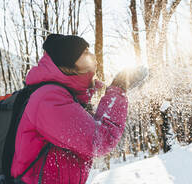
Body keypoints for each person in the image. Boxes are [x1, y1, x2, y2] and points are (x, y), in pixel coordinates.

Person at [11, 34, 143, 184]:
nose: (92, 56)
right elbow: (100, 140)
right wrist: (117, 89)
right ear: (69, 62)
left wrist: (118, 88)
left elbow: (92, 129)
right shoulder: (49, 99)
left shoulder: (65, 96)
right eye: (85, 52)